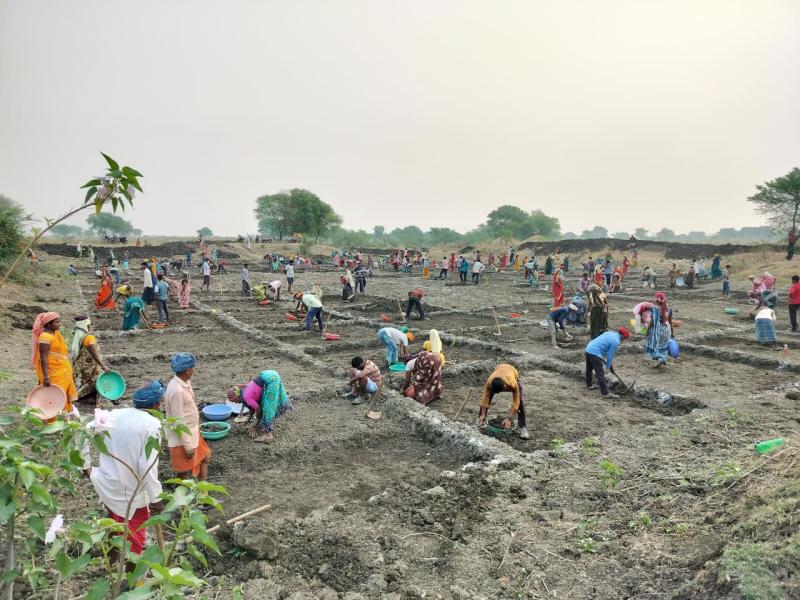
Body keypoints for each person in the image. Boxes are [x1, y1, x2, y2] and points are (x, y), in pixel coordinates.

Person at [82, 386, 164, 559]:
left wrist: (85, 466)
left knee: (114, 526)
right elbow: (146, 466)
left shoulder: (114, 414)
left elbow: (83, 430)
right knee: (136, 539)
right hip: (134, 493)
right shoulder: (153, 425)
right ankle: (130, 573)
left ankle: (113, 564)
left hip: (108, 486)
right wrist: (156, 499)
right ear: (157, 405)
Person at [164, 353, 211, 479]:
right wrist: (188, 446)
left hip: (193, 432)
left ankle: (202, 488)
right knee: (183, 471)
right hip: (182, 438)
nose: (193, 370)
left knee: (205, 457)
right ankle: (180, 490)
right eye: (192, 368)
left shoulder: (184, 383)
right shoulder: (177, 391)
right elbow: (178, 420)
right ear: (187, 371)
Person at [31, 312, 78, 415]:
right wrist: (46, 376)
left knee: (62, 395)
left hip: (63, 371)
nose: (59, 324)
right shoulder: (45, 337)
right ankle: (51, 418)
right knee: (53, 396)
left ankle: (61, 416)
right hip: (53, 373)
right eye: (57, 322)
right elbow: (43, 358)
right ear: (48, 324)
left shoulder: (56, 334)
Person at [234, 371, 293, 442]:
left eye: (234, 401)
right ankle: (262, 427)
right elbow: (253, 409)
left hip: (270, 380)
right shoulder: (245, 390)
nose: (235, 403)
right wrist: (248, 420)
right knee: (268, 403)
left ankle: (268, 435)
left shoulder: (246, 397)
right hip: (270, 374)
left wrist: (257, 425)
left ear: (235, 396)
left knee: (268, 409)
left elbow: (258, 410)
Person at [477, 364, 529, 440]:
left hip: (512, 371)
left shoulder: (513, 384)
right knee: (488, 396)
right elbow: (485, 399)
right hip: (499, 369)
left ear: (505, 387)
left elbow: (516, 402)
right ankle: (480, 421)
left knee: (520, 402)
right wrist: (483, 414)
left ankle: (523, 428)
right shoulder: (489, 383)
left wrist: (509, 418)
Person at [71, 316, 110, 406]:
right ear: (87, 325)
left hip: (82, 366)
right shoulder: (89, 338)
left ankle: (86, 399)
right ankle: (78, 398)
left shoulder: (79, 337)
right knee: (93, 382)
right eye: (89, 324)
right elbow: (94, 354)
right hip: (90, 367)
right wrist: (103, 366)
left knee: (85, 382)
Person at [585, 327, 630, 399]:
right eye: (625, 338)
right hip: (595, 351)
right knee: (600, 373)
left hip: (589, 347)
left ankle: (589, 385)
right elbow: (610, 355)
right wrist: (608, 367)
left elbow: (604, 347)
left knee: (589, 368)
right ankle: (605, 393)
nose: (624, 340)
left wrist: (610, 366)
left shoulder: (610, 333)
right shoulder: (615, 341)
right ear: (622, 336)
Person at [405, 330, 444, 405]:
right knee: (435, 376)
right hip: (437, 358)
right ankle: (436, 393)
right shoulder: (439, 343)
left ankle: (423, 397)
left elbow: (409, 381)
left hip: (428, 360)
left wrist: (405, 388)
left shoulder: (409, 365)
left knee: (413, 389)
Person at [645, 293, 672, 368]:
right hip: (667, 330)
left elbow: (652, 321)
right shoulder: (668, 309)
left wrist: (647, 331)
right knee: (664, 346)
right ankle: (663, 358)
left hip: (658, 330)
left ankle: (660, 358)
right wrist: (672, 333)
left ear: (657, 300)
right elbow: (670, 322)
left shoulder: (654, 309)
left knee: (654, 345)